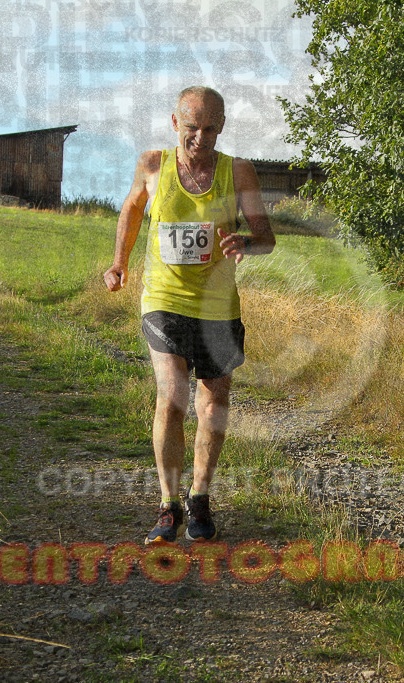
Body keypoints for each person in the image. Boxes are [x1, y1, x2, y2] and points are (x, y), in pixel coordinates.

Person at [103, 86, 276, 545]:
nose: (201, 137)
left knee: (213, 405)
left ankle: (200, 497)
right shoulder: (153, 166)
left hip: (219, 306)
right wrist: (119, 262)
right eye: (192, 127)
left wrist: (247, 243)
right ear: (175, 123)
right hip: (164, 298)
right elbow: (132, 209)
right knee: (172, 396)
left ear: (222, 127)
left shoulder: (237, 172)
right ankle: (168, 504)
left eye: (211, 128)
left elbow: (265, 236)